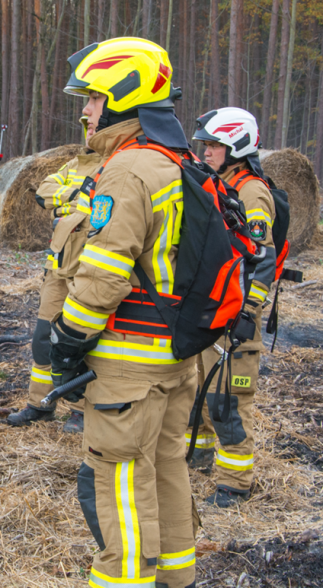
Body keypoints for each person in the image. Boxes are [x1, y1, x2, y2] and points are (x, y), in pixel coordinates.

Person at [53, 38, 199, 588]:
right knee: (166, 469)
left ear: (119, 98)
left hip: (128, 364)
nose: (85, 109)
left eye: (91, 97)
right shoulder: (174, 160)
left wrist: (66, 338)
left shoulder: (128, 170)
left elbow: (104, 273)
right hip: (175, 356)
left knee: (119, 481)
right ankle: (177, 578)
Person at [187, 107, 276, 507]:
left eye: (214, 146)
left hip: (237, 320)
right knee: (204, 393)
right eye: (205, 144)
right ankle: (202, 455)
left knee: (229, 402)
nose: (206, 152)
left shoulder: (251, 191)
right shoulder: (219, 183)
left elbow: (262, 259)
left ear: (236, 146)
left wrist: (247, 315)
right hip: (216, 312)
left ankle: (235, 483)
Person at [7, 118, 101, 432]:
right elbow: (43, 191)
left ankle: (79, 409)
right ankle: (40, 403)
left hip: (87, 270)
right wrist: (76, 196)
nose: (90, 130)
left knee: (77, 341)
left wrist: (67, 202)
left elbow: (98, 209)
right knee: (43, 339)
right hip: (57, 268)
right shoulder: (75, 164)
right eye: (86, 126)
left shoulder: (115, 166)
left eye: (95, 125)